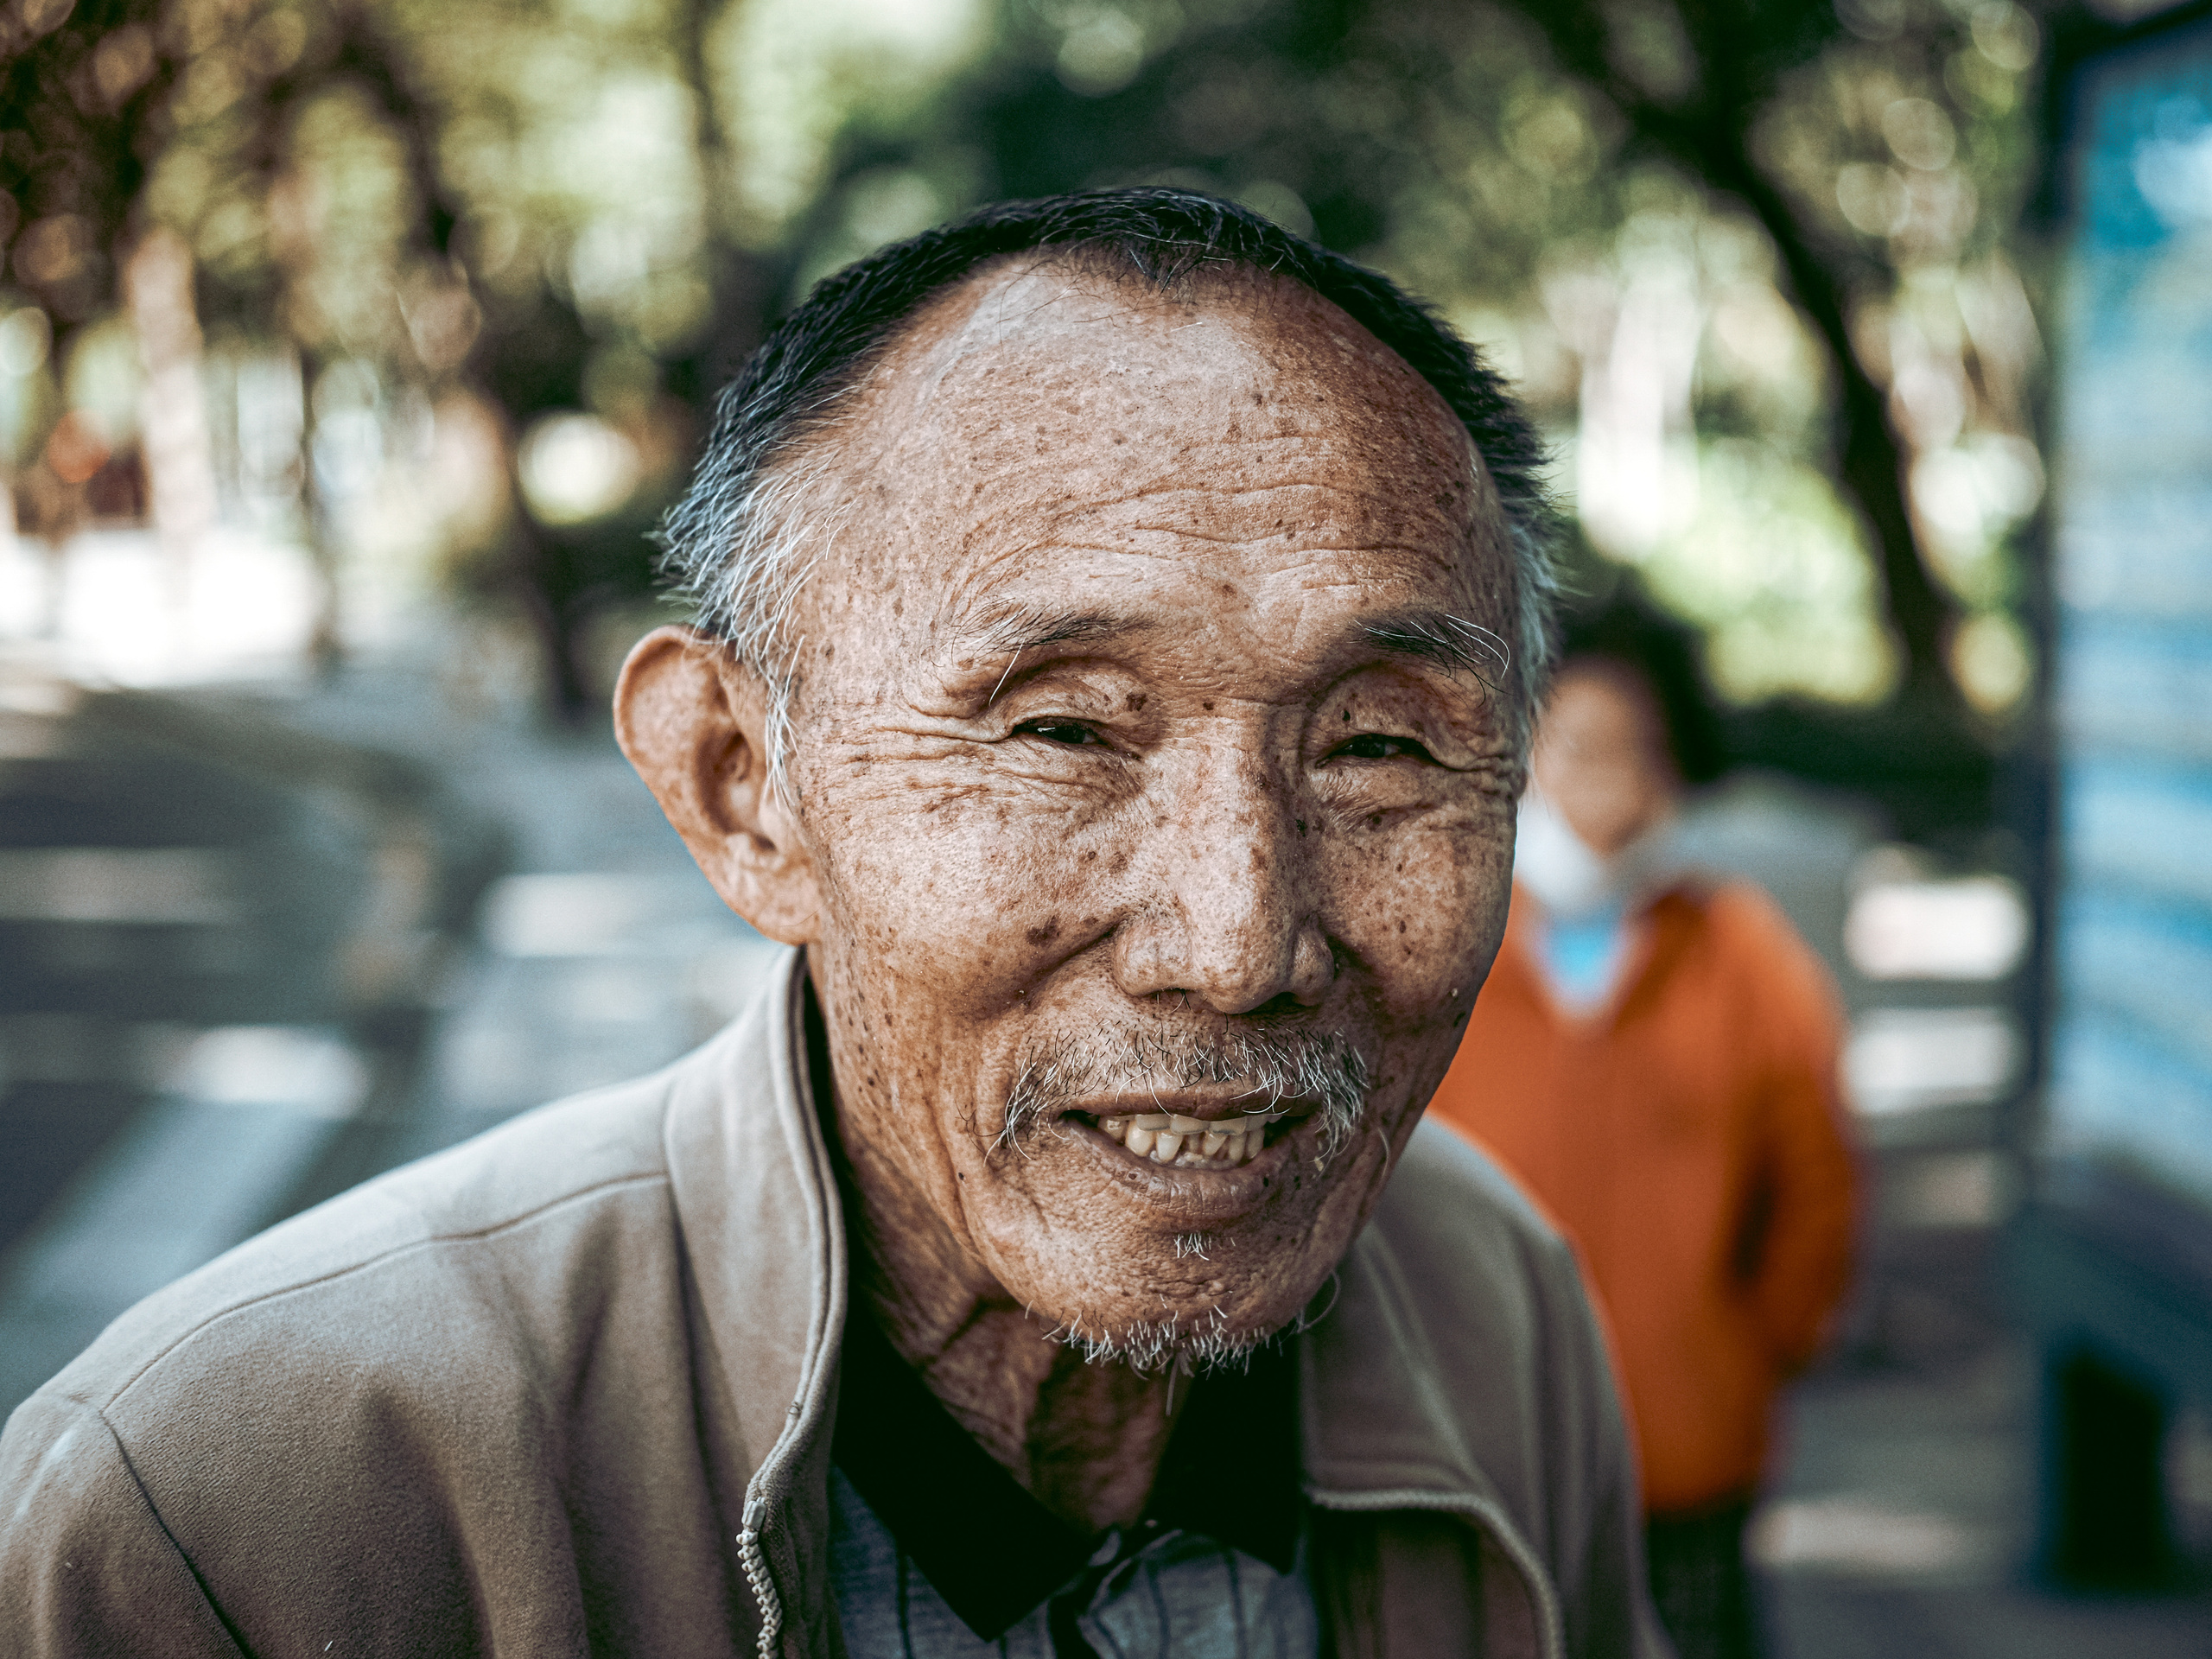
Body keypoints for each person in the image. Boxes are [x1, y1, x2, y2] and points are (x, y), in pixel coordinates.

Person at [0, 191, 1667, 1657]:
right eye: (1061, 730)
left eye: (1379, 745)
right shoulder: (230, 1517)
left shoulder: (1492, 1302)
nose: (1235, 945)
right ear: (741, 789)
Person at [1424, 610, 1859, 1659]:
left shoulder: (1737, 952)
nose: (1608, 788)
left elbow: (1818, 1185)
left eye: (1639, 752)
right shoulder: (1439, 944)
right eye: (1578, 747)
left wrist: (1743, 1360)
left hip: (1684, 1459)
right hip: (1468, 1453)